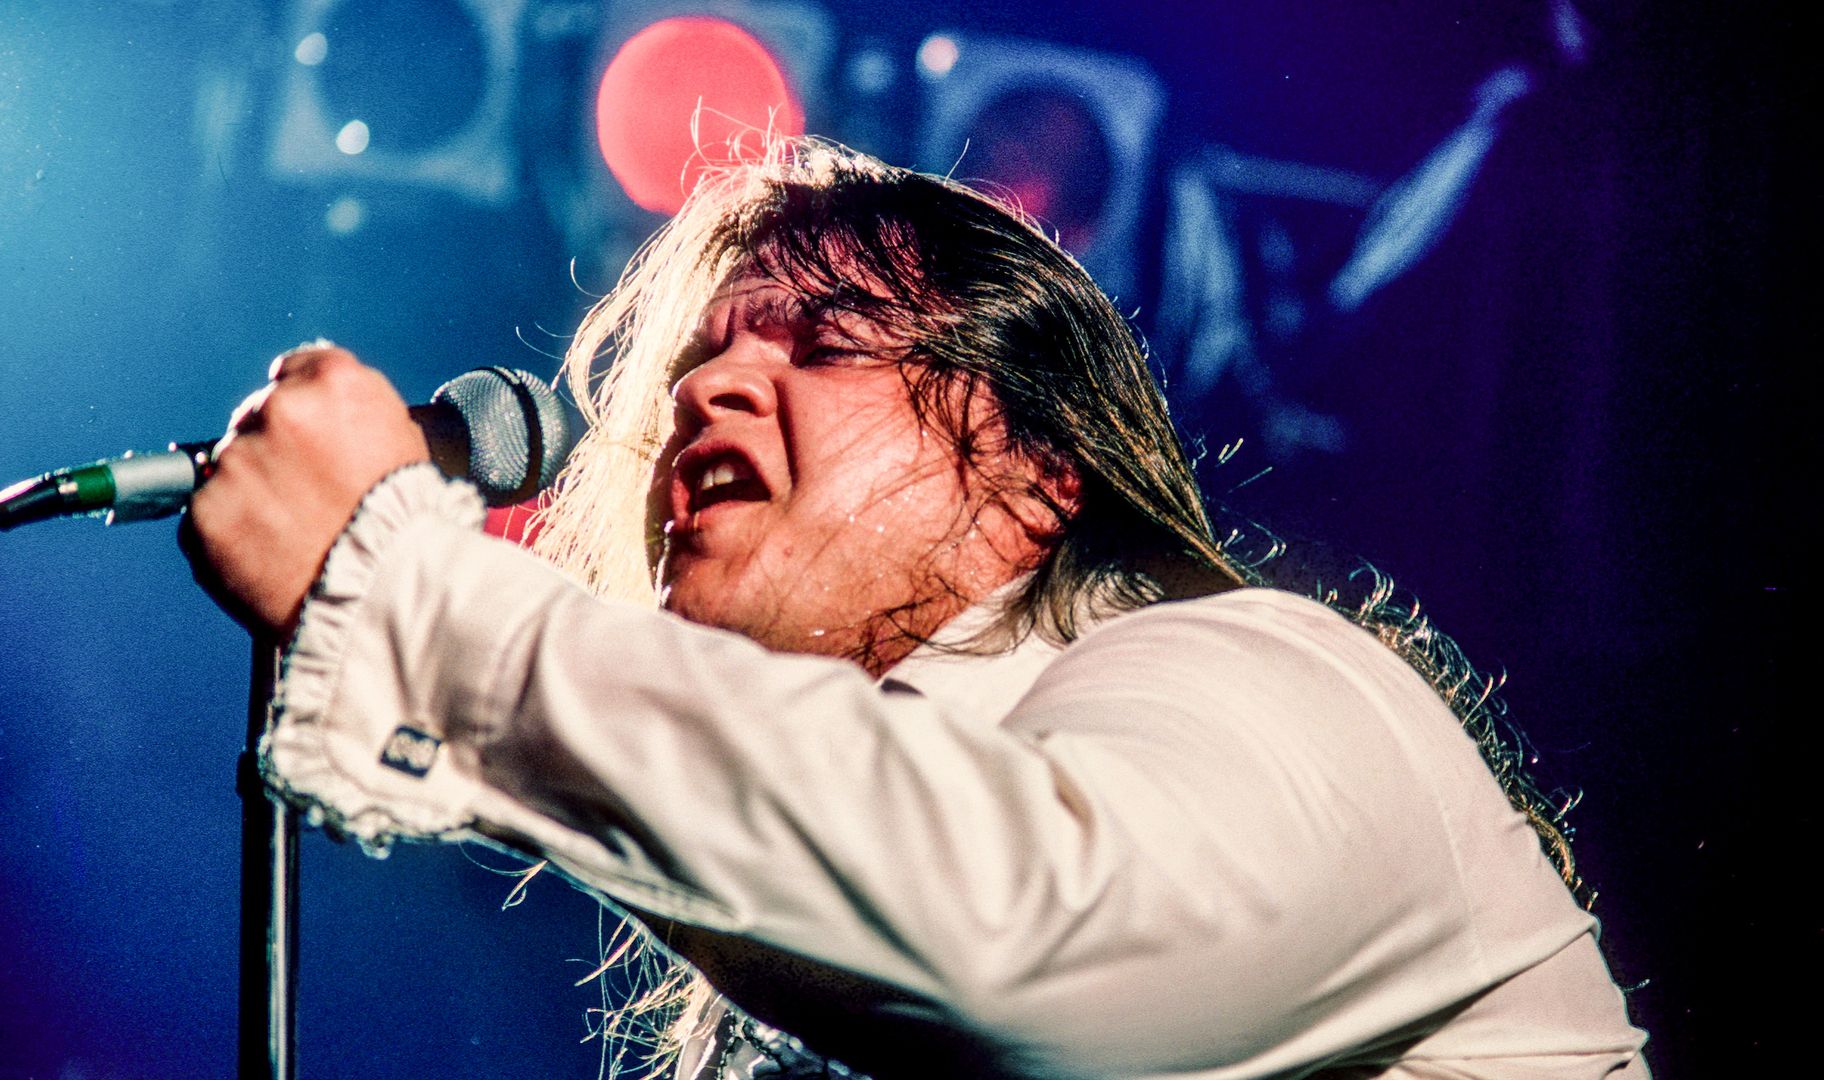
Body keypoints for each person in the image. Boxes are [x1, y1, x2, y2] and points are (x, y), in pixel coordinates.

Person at [183, 141, 1649, 1078]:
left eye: (822, 342)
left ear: (1037, 479)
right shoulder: (839, 861)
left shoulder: (1269, 678)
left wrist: (401, 586)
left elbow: (1038, 937)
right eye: (695, 362)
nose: (709, 386)